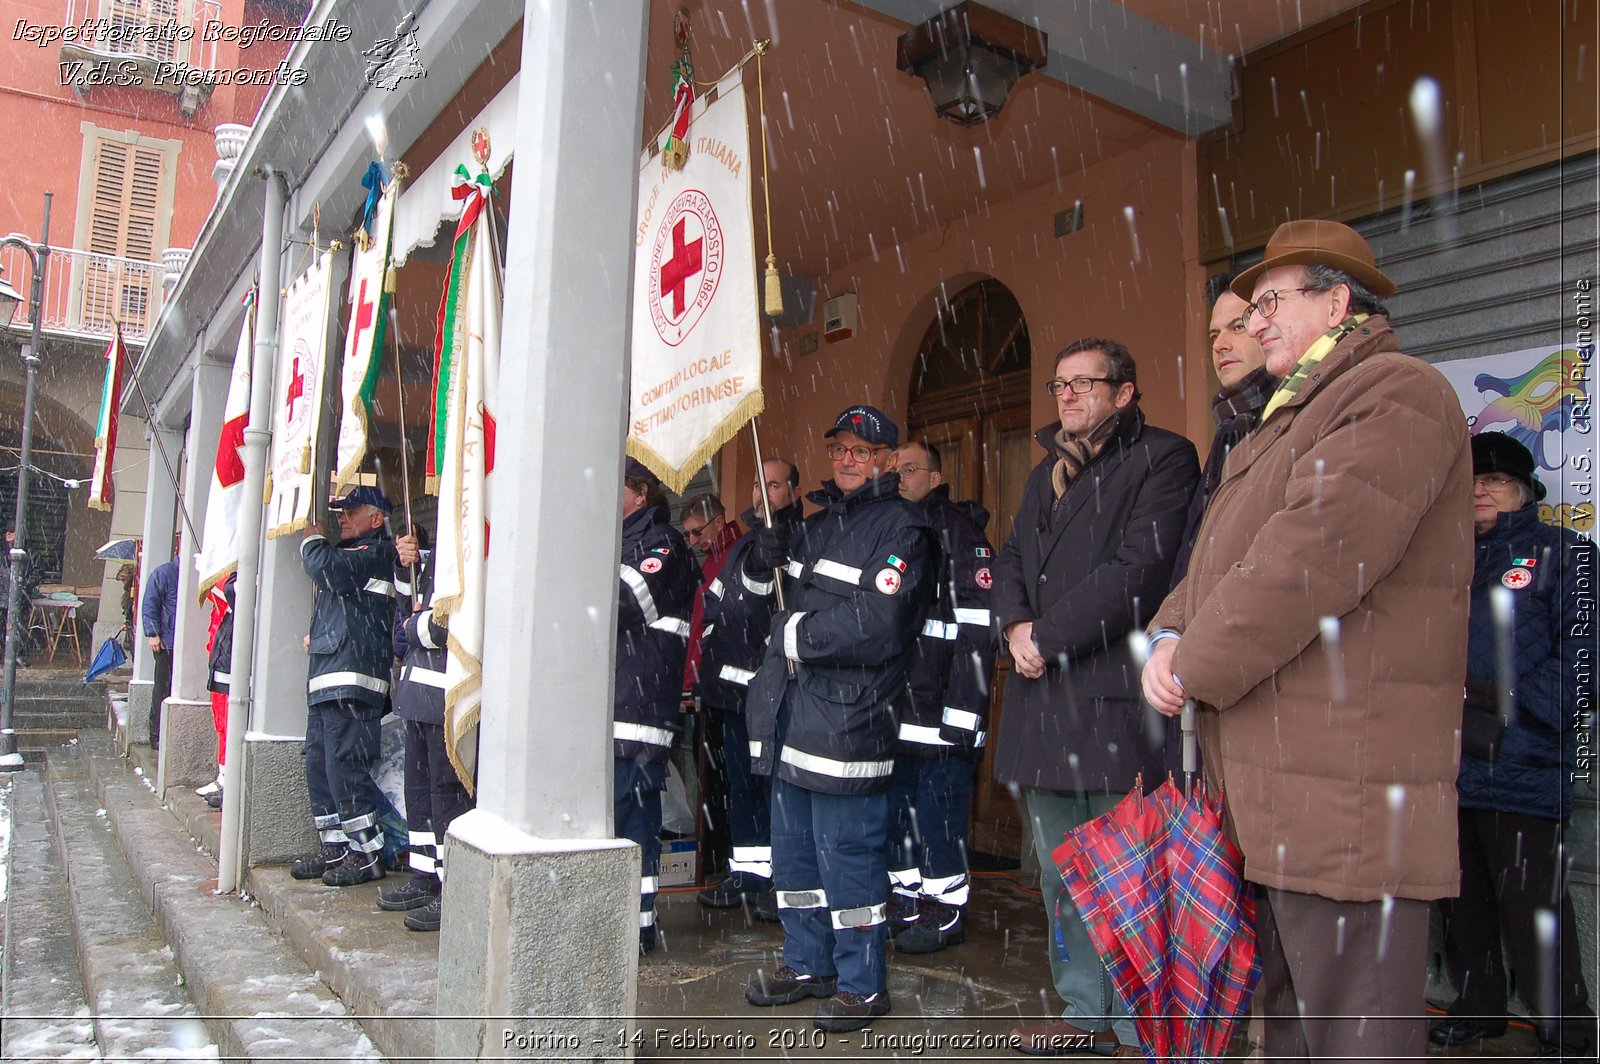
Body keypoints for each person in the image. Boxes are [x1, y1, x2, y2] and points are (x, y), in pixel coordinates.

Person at [1143, 219, 1473, 1062]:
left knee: (1355, 1032)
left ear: (1339, 300)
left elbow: (1311, 558)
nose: (1253, 324)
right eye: (1250, 308)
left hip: (1348, 800)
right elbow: (1219, 558)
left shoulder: (1396, 391)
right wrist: (1170, 629)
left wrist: (1195, 662)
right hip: (1283, 800)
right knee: (1291, 1030)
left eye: (1271, 303)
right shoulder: (1279, 420)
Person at [992, 339, 1199, 1056]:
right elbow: (1011, 556)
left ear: (1125, 392)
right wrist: (1015, 625)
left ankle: (1140, 1025)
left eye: (1087, 383)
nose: (1070, 395)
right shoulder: (1045, 471)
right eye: (1061, 384)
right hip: (1041, 702)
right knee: (1060, 874)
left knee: (1130, 874)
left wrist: (1047, 636)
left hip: (1111, 703)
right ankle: (1084, 1013)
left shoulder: (1163, 458)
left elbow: (1139, 572)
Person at [742, 405, 936, 1033]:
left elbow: (878, 624)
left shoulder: (905, 529)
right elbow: (763, 604)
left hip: (850, 724)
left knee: (849, 860)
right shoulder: (819, 525)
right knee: (794, 859)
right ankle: (807, 964)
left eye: (861, 450)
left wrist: (796, 635)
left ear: (885, 459)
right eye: (839, 450)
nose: (848, 461)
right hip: (791, 718)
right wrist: (758, 560)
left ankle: (860, 984)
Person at [1431, 432, 1596, 1061]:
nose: (1479, 490)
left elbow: (1585, 661)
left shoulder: (1566, 554)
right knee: (1460, 899)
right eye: (1471, 480)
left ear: (1525, 491)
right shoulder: (1446, 559)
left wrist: (1503, 705)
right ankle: (1480, 1010)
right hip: (1448, 762)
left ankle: (1567, 1026)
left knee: (1534, 907)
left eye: (1495, 480)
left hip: (1522, 760)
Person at [885, 439, 996, 955]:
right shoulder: (894, 527)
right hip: (899, 712)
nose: (898, 477)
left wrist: (965, 713)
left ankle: (945, 908)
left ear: (935, 477)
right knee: (901, 813)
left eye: (909, 469)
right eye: (893, 469)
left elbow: (979, 628)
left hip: (942, 712)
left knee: (940, 814)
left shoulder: (957, 531)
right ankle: (907, 901)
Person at [694, 459, 804, 921]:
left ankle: (781, 880)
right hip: (733, 694)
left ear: (793, 492)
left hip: (774, 694)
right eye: (759, 484)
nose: (763, 493)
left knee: (775, 790)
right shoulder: (742, 544)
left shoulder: (799, 539)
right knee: (742, 788)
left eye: (774, 485)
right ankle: (749, 875)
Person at [289, 487, 399, 887]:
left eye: (352, 511)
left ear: (376, 518)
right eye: (341, 512)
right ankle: (335, 844)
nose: (342, 517)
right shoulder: (351, 552)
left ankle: (366, 851)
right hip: (330, 672)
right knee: (319, 761)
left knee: (343, 763)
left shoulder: (377, 552)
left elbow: (328, 568)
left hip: (353, 678)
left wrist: (312, 539)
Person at [615, 458, 699, 953]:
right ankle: (616, 919)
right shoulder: (615, 540)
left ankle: (637, 925)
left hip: (638, 709)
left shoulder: (662, 543)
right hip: (610, 707)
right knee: (612, 820)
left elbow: (624, 603)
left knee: (632, 821)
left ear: (640, 494)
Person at [377, 525, 475, 933]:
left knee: (446, 794)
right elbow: (407, 611)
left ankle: (450, 884)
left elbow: (453, 626)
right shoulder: (440, 557)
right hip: (418, 690)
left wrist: (415, 625)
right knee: (418, 792)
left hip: (448, 694)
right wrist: (406, 566)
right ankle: (424, 876)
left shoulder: (472, 555)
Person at [1170, 271, 1276, 584]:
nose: (1219, 345)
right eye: (1214, 335)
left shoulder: (1288, 414)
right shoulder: (1232, 421)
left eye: (1237, 327)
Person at [199, 572, 236, 808]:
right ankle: (223, 774)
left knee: (227, 721)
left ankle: (226, 777)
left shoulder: (230, 583)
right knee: (221, 721)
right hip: (221, 659)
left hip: (227, 661)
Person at [141, 551, 180, 750]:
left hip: (180, 641)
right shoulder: (164, 573)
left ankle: (164, 734)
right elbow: (150, 604)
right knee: (162, 688)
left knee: (169, 687)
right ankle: (156, 734)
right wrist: (153, 633)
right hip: (166, 641)